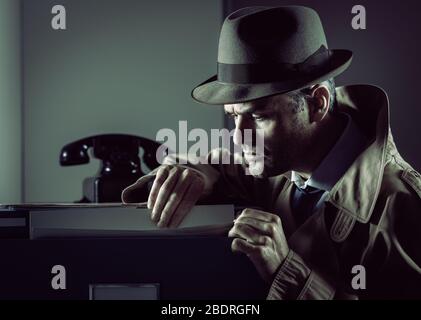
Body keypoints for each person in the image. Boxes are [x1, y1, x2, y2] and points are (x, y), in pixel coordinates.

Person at [122, 6, 421, 299]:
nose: (239, 137)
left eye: (260, 117)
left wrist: (287, 270)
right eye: (233, 117)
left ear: (318, 103)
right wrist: (193, 173)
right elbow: (215, 164)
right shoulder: (270, 166)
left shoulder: (403, 207)